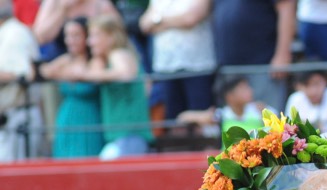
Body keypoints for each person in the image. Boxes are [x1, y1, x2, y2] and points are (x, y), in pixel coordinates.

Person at [78, 13, 153, 158]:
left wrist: (85, 75)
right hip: (122, 136)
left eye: (95, 36)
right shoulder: (109, 58)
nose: (89, 42)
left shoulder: (118, 53)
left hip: (130, 136)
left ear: (111, 36)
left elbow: (125, 74)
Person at [138, 0, 216, 122]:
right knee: (172, 123)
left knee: (202, 121)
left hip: (198, 67)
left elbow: (190, 19)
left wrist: (158, 20)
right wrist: (176, 20)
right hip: (165, 68)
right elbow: (144, 25)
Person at [38, 16, 105, 158]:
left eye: (76, 35)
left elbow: (93, 75)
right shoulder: (67, 59)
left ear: (86, 36)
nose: (70, 40)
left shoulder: (96, 60)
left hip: (89, 118)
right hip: (67, 117)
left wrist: (68, 74)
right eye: (67, 36)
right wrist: (69, 74)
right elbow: (44, 71)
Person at [211, 0, 295, 112]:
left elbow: (286, 6)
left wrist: (283, 54)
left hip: (263, 65)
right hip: (228, 68)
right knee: (232, 119)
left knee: (268, 118)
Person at [0, 0, 40, 162]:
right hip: (8, 119)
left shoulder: (15, 33)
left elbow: (25, 74)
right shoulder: (5, 32)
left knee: (16, 172)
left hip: (20, 117)